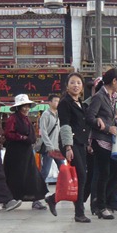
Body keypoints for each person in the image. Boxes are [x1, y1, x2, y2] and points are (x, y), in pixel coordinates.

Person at [47, 72, 92, 223]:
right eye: (72, 82)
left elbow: (85, 126)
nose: (76, 85)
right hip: (70, 143)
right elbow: (65, 125)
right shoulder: (65, 103)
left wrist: (89, 143)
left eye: (78, 83)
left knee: (81, 177)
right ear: (67, 86)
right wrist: (67, 147)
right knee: (81, 176)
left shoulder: (81, 103)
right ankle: (79, 212)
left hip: (81, 143)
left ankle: (53, 199)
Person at [85, 68, 117, 219]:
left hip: (110, 141)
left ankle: (108, 202)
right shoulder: (99, 96)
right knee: (103, 174)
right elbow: (89, 117)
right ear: (114, 81)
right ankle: (101, 207)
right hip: (100, 140)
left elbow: (110, 118)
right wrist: (107, 127)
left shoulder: (112, 97)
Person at [3, 94, 49, 210]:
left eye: (28, 106)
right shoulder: (12, 119)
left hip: (26, 152)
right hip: (15, 153)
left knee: (33, 175)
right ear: (18, 107)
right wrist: (22, 138)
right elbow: (8, 134)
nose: (26, 108)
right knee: (14, 177)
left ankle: (36, 200)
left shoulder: (26, 119)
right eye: (24, 106)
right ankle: (8, 199)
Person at [39, 93, 64, 184]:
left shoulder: (59, 114)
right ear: (49, 102)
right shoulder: (46, 114)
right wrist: (49, 145)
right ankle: (38, 190)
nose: (57, 103)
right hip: (49, 148)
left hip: (58, 148)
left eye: (58, 101)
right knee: (45, 170)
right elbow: (43, 132)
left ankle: (62, 191)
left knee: (63, 170)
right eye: (55, 101)